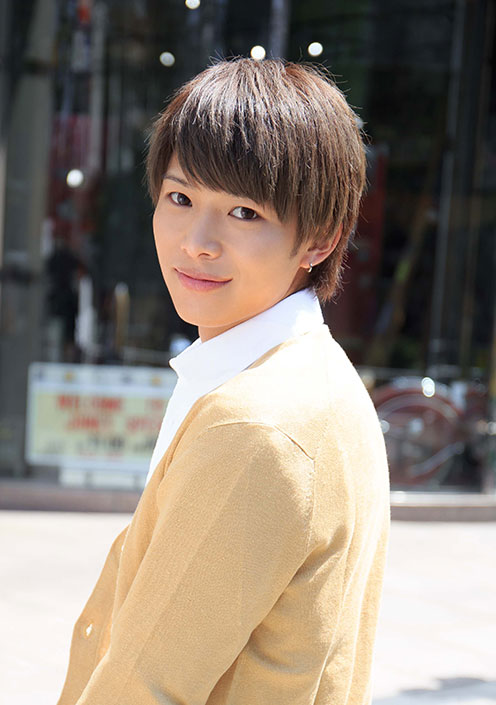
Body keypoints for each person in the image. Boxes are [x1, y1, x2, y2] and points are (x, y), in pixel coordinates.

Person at [57, 57, 391, 705]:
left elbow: (146, 686)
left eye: (243, 212)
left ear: (319, 239)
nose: (197, 242)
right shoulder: (317, 377)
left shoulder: (256, 425)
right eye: (181, 198)